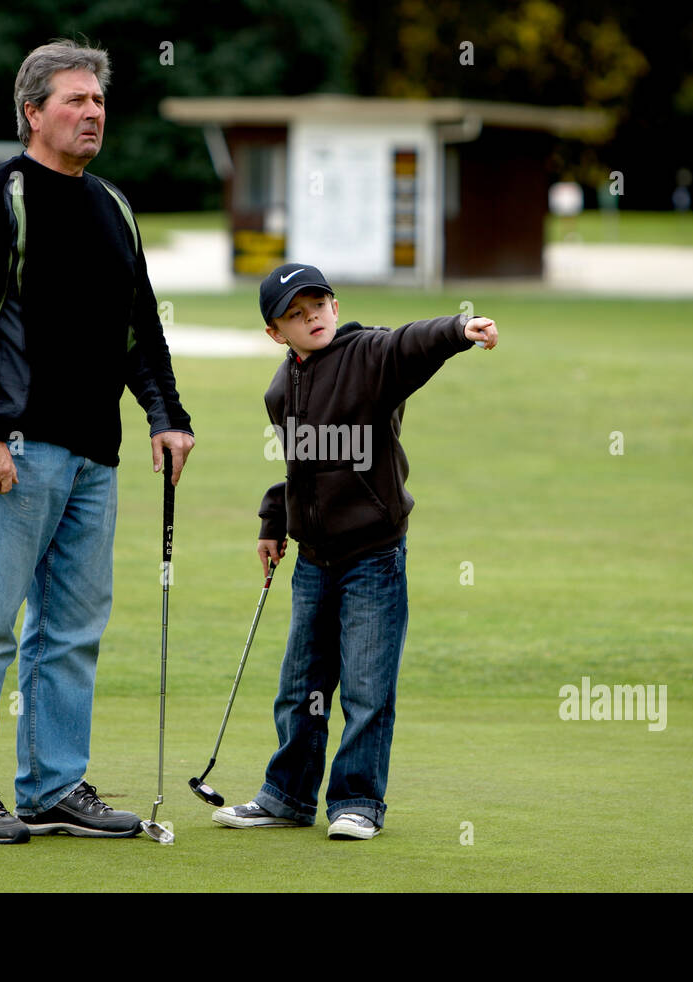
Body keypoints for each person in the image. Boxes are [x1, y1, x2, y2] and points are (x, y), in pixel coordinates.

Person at [0, 39, 194, 844]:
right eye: (74, 100)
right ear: (32, 112)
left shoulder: (112, 206)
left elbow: (140, 331)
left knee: (72, 631)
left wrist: (166, 415)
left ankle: (50, 787)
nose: (92, 113)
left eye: (99, 101)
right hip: (17, 450)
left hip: (94, 458)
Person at [212, 263, 497, 839]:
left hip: (373, 555)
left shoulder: (369, 357)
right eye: (295, 313)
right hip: (314, 561)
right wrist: (274, 520)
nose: (311, 317)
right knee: (301, 688)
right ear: (276, 333)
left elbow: (407, 344)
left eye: (318, 305)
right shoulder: (279, 389)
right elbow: (301, 465)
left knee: (367, 688)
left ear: (335, 308)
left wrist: (457, 330)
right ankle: (287, 796)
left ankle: (357, 803)